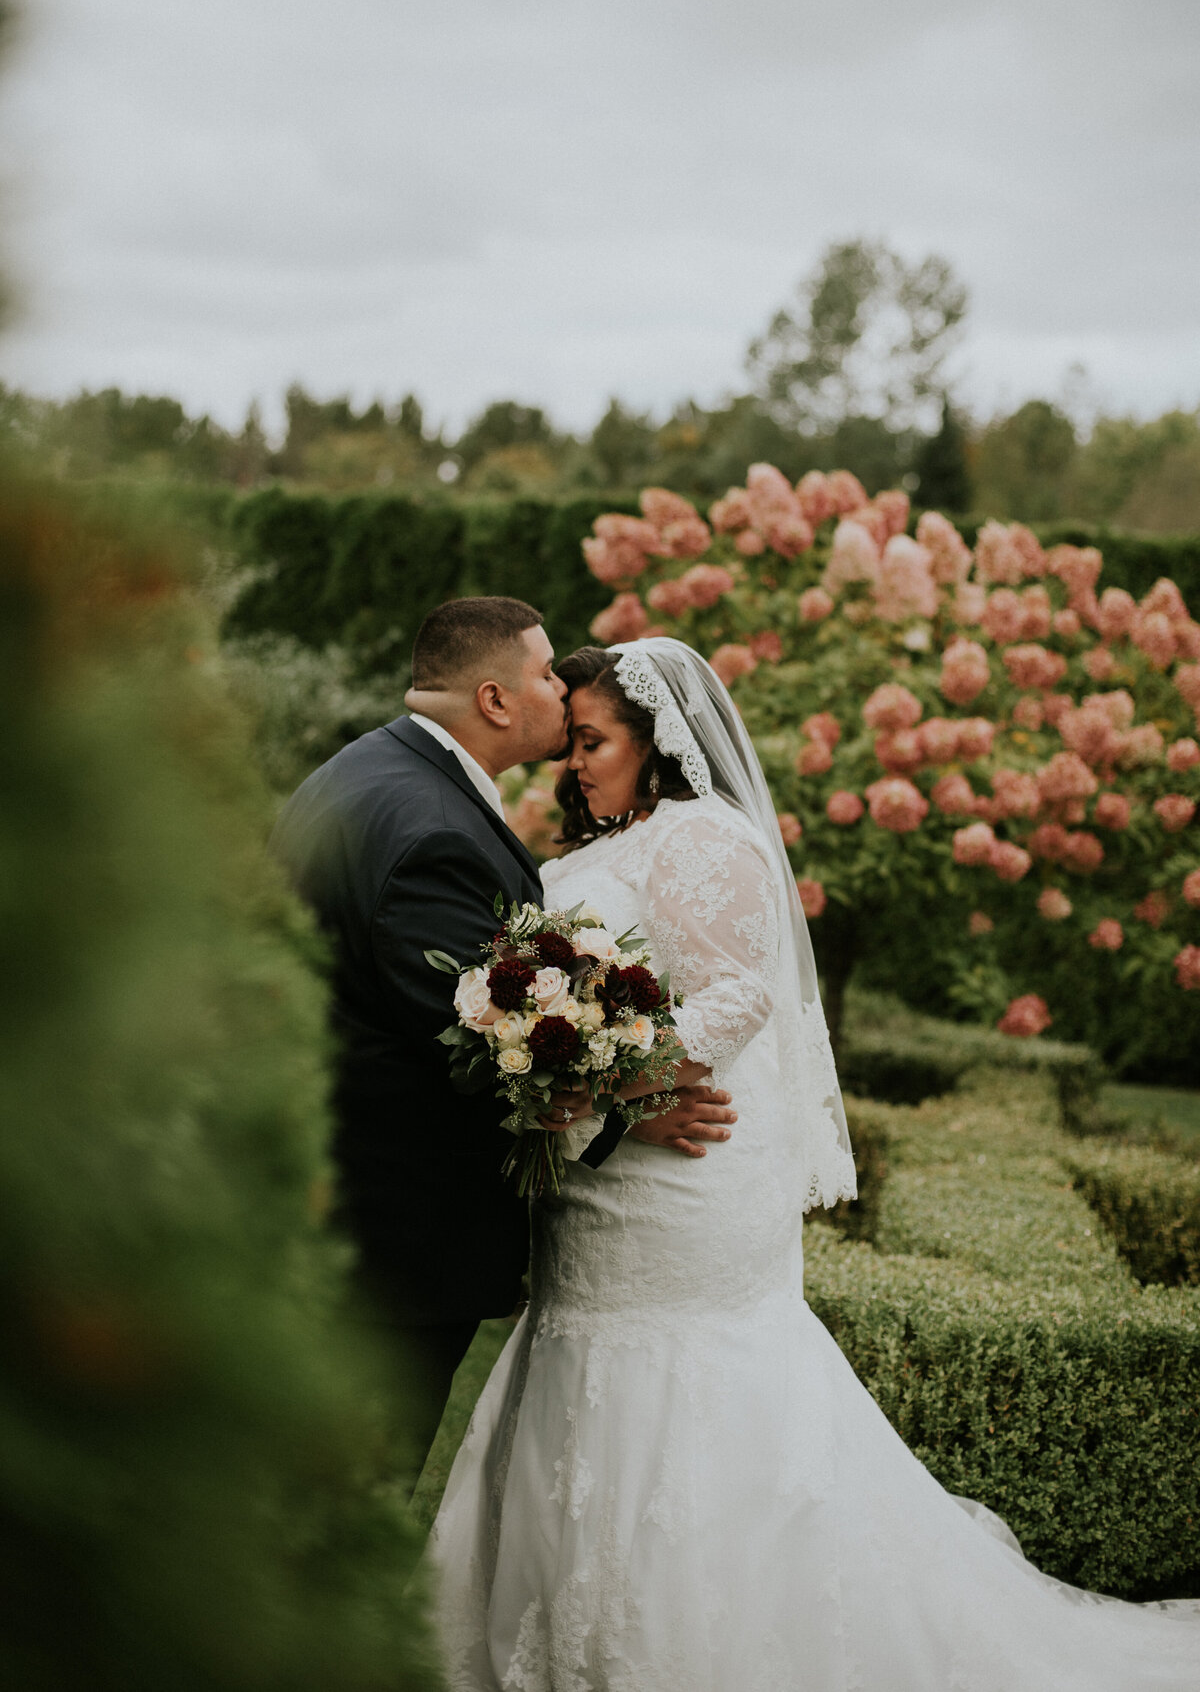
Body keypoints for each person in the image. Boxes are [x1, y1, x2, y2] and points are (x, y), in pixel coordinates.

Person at [431, 635, 1199, 1690]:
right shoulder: (576, 859)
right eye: (571, 744)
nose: (575, 763)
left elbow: (741, 993)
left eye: (595, 741)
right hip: (599, 1179)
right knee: (580, 1362)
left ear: (660, 742)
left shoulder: (708, 840)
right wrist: (563, 1086)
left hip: (687, 1177)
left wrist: (614, 1076)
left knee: (685, 1387)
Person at [269, 600, 736, 1466]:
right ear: (493, 700)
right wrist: (628, 1103)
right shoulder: (431, 831)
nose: (561, 688)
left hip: (332, 1211)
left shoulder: (369, 775)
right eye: (547, 672)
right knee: (344, 1502)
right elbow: (484, 1049)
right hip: (389, 1248)